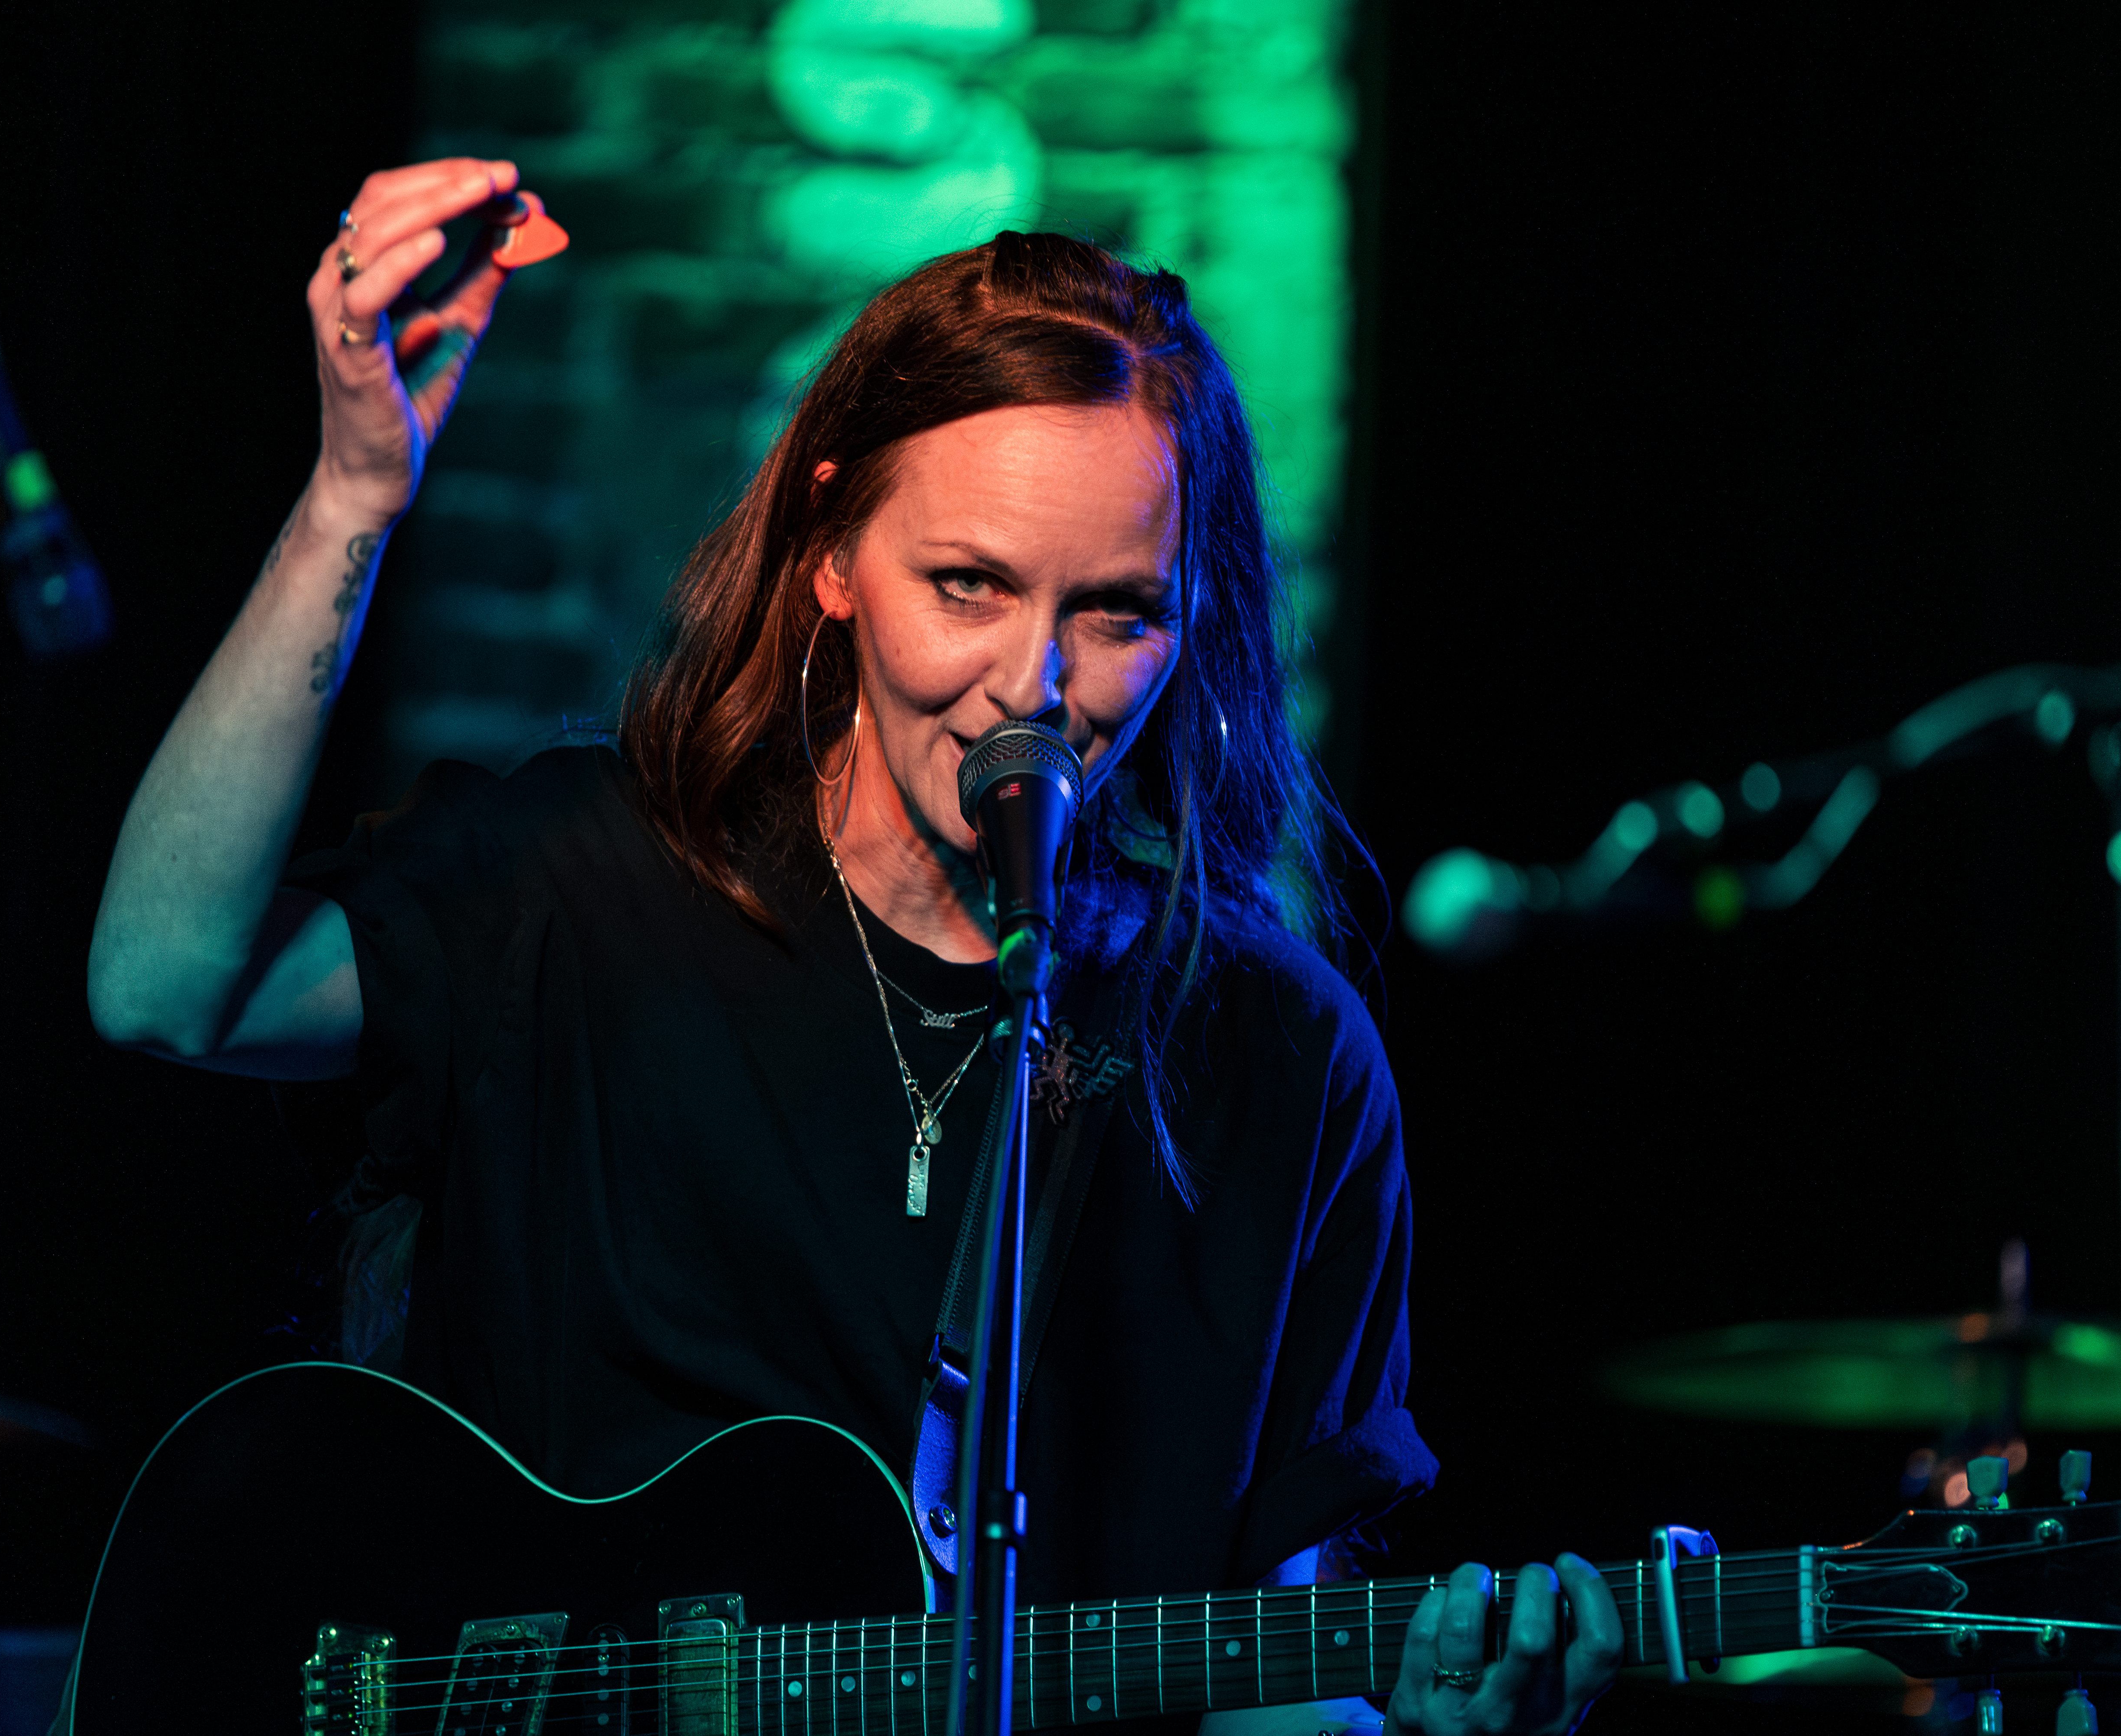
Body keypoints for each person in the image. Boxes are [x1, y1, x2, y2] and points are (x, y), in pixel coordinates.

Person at [85, 158, 1621, 1736]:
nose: (1035, 680)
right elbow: (161, 986)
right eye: (968, 587)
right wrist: (353, 492)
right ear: (834, 558)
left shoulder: (1276, 1062)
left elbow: (1268, 1676)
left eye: (1117, 614)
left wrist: (1443, 1727)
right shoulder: (585, 887)